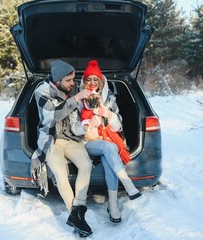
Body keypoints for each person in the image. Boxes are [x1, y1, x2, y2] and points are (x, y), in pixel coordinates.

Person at [30, 60, 93, 237]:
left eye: (73, 80)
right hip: (51, 140)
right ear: (57, 80)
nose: (73, 83)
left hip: (71, 139)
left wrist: (86, 125)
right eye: (69, 80)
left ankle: (76, 211)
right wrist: (77, 98)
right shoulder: (41, 91)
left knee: (86, 165)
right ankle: (74, 214)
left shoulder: (70, 90)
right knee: (60, 172)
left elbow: (77, 118)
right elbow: (53, 116)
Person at [78, 60, 141, 223]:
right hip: (88, 143)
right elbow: (73, 126)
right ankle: (128, 185)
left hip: (108, 141)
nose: (92, 83)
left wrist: (109, 114)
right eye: (88, 80)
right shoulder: (79, 99)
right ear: (84, 82)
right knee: (108, 147)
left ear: (101, 81)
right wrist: (89, 124)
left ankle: (113, 206)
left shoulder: (110, 99)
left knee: (109, 154)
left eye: (95, 79)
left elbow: (118, 127)